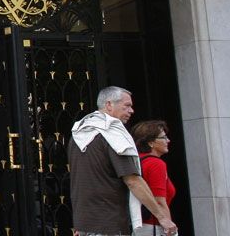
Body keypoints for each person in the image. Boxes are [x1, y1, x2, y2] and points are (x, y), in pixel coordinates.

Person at [68, 86, 177, 236]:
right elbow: (133, 181)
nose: (131, 111)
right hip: (110, 224)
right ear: (109, 105)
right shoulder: (112, 135)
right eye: (127, 106)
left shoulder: (77, 135)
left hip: (84, 223)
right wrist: (162, 217)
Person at [131, 120, 178, 236]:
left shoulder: (136, 161)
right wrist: (169, 227)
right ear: (151, 142)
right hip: (153, 227)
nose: (168, 140)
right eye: (163, 137)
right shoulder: (156, 164)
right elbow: (159, 201)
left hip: (137, 225)